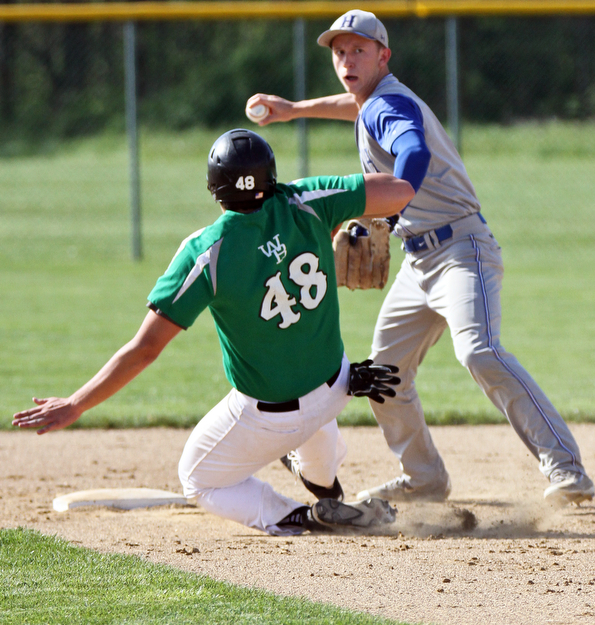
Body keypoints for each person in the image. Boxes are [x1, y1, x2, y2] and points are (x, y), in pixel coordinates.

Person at [247, 9, 594, 507]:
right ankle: (424, 479)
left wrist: (388, 211)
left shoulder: (388, 108)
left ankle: (567, 469)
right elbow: (356, 106)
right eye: (339, 51)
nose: (347, 59)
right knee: (384, 372)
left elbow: (411, 150)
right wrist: (294, 110)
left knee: (478, 350)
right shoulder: (375, 100)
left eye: (359, 50)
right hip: (419, 262)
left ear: (383, 55)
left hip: (460, 251)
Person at [12, 128, 414, 535]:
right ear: (270, 175)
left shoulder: (206, 253)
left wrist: (77, 403)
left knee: (198, 480)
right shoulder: (308, 200)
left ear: (214, 188)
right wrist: (356, 218)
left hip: (269, 416)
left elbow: (145, 349)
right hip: (336, 386)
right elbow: (399, 191)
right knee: (313, 423)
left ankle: (299, 516)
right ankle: (328, 491)